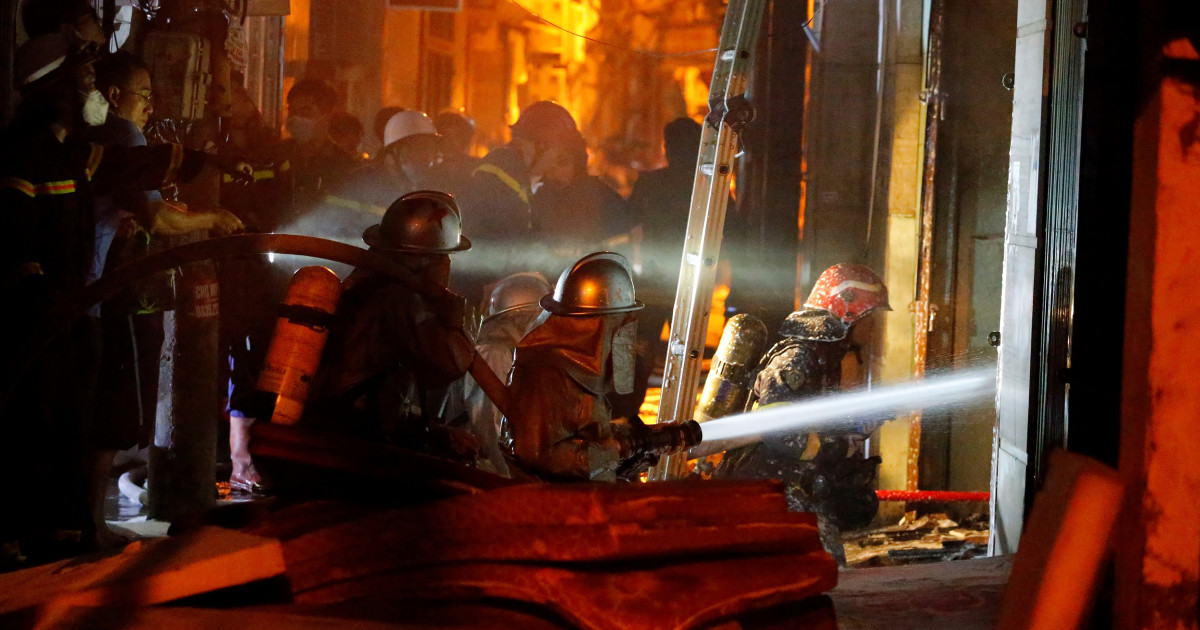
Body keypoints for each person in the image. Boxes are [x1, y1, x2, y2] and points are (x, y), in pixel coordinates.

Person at [0, 34, 250, 562]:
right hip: (40, 318)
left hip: (73, 313)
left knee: (68, 423)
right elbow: (13, 238)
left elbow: (125, 169)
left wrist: (204, 161)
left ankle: (55, 530)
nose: (95, 91)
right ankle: (13, 536)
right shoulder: (26, 156)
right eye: (85, 81)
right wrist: (37, 292)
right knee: (32, 425)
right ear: (57, 91)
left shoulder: (73, 152)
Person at [715, 263, 891, 560]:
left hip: (787, 489)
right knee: (821, 567)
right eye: (870, 317)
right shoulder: (798, 359)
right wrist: (837, 447)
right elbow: (781, 434)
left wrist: (854, 425)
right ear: (849, 313)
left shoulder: (825, 359)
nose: (874, 328)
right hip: (764, 493)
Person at [305, 191, 477, 461]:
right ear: (434, 258)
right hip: (353, 447)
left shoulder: (361, 284)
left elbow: (378, 390)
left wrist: (436, 433)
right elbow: (451, 362)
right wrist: (450, 306)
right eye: (445, 257)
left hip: (326, 429)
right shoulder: (401, 301)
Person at [501, 252, 646, 481]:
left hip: (583, 497)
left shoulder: (579, 370)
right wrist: (614, 449)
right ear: (595, 324)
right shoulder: (547, 372)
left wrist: (634, 438)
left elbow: (580, 430)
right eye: (619, 319)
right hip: (553, 506)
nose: (625, 326)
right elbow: (536, 454)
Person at [459, 271, 551, 476]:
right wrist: (505, 478)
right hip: (483, 474)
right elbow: (486, 428)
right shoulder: (494, 352)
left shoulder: (512, 351)